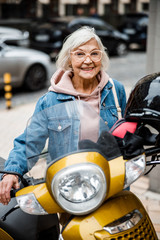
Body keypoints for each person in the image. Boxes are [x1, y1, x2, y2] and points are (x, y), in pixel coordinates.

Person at [0, 26, 126, 205]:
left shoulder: (115, 90)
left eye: (95, 54)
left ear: (102, 57)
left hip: (112, 183)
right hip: (71, 191)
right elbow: (29, 142)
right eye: (80, 54)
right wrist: (13, 171)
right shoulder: (50, 100)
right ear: (68, 59)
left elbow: (127, 131)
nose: (88, 61)